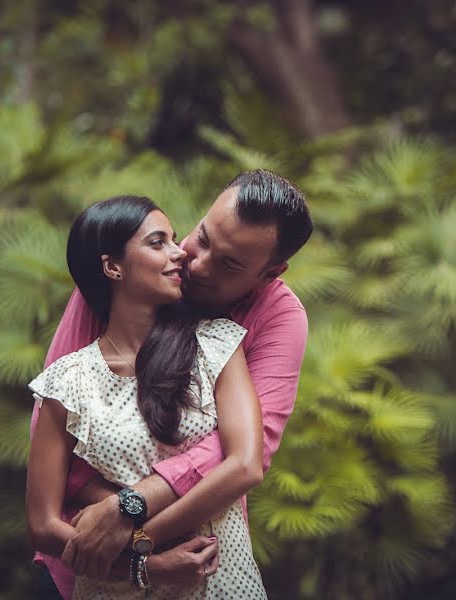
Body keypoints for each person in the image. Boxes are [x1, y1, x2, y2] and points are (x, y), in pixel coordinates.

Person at [31, 170, 313, 598]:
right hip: (83, 560)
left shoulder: (260, 325)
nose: (194, 262)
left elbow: (243, 454)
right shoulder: (132, 273)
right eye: (202, 235)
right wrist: (136, 559)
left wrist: (133, 518)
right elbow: (59, 439)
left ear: (270, 273)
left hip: (201, 559)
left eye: (230, 263)